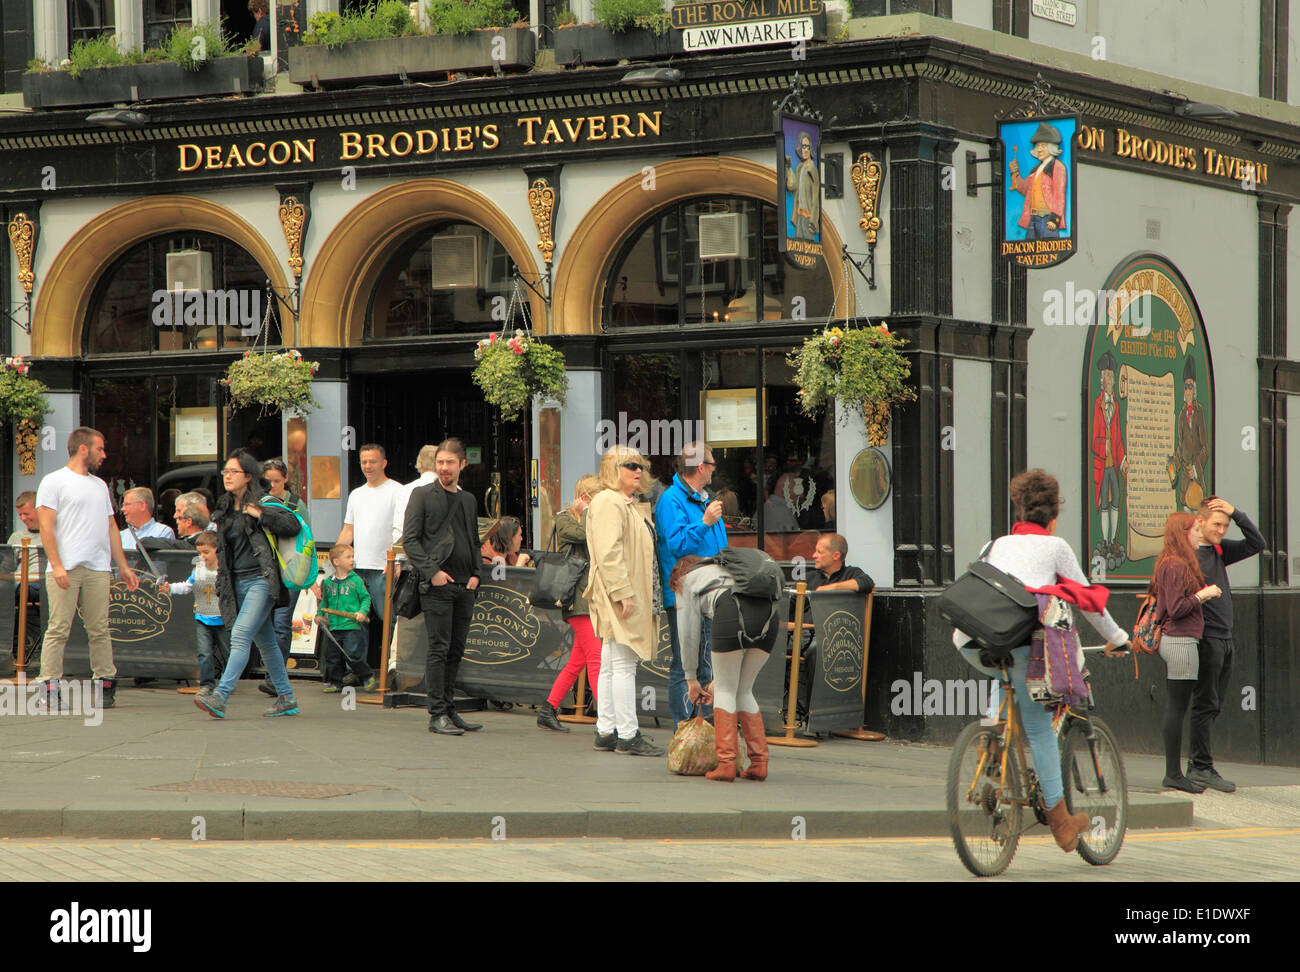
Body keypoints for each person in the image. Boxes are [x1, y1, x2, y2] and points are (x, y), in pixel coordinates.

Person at [952, 468, 1129, 853]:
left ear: (1018, 511)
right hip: (1019, 642)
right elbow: (1088, 601)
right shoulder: (1055, 546)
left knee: (1006, 681)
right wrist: (1118, 638)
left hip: (970, 640)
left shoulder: (994, 544)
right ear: (1053, 516)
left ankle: (990, 745)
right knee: (1039, 730)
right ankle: (1062, 823)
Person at [35, 427, 140, 709]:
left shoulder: (99, 486)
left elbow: (110, 526)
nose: (104, 455)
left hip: (97, 566)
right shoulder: (54, 481)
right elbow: (45, 525)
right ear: (84, 448)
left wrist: (123, 566)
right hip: (66, 566)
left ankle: (105, 682)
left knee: (99, 627)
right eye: (100, 449)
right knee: (58, 627)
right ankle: (48, 685)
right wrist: (56, 565)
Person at [194, 450, 301, 719]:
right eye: (225, 472)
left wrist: (261, 515)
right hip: (237, 582)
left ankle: (220, 696)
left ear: (248, 476)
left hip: (261, 581)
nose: (227, 476)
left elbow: (292, 525)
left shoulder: (263, 502)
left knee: (240, 636)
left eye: (233, 472)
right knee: (266, 643)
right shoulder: (225, 507)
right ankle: (287, 698)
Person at [586, 446, 664, 757]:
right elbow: (609, 553)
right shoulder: (610, 501)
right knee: (622, 664)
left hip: (622, 592)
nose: (638, 470)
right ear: (613, 469)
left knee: (611, 663)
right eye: (630, 465)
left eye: (641, 465)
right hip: (622, 594)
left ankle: (607, 730)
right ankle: (627, 734)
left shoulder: (620, 502)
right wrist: (622, 593)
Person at [673, 553, 778, 781]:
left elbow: (688, 632)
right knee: (744, 689)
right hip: (769, 614)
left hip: (731, 610)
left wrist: (691, 678)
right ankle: (759, 763)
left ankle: (726, 764)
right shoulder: (731, 569)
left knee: (726, 691)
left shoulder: (687, 580)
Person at [403, 438, 483, 736]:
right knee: (439, 648)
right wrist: (433, 572)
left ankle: (449, 709)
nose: (444, 468)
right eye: (440, 462)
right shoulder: (422, 495)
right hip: (436, 586)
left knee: (456, 649)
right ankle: (436, 713)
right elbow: (410, 540)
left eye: (450, 462)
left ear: (463, 464)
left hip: (465, 585)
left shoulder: (468, 500)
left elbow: (474, 539)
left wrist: (477, 574)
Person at [1187, 496, 1265, 793]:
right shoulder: (1189, 555)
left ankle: (1201, 764)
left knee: (1214, 703)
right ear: (1200, 521)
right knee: (1205, 702)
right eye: (1216, 524)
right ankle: (1200, 767)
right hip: (1206, 638)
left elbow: (1257, 543)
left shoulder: (1218, 551)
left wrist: (1236, 512)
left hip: (1224, 636)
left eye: (1225, 525)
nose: (1221, 529)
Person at [655, 441, 727, 727]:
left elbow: (717, 548)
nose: (713, 471)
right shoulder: (671, 500)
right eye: (712, 465)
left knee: (708, 664)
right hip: (685, 594)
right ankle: (684, 730)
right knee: (686, 666)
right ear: (701, 467)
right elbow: (676, 544)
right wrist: (705, 522)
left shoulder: (703, 498)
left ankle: (704, 729)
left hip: (712, 592)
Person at [1151, 512, 1221, 794]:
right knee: (1177, 708)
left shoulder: (1169, 563)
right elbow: (1177, 608)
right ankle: (1173, 773)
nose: (1198, 535)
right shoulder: (1176, 564)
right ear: (1182, 533)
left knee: (1177, 707)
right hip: (1180, 642)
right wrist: (1203, 595)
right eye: (1194, 530)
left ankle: (1174, 772)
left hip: (1179, 641)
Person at [537, 474, 602, 733]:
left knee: (578, 661)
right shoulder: (565, 518)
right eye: (596, 498)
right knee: (596, 657)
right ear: (585, 497)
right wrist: (586, 511)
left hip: (591, 597)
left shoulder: (594, 518)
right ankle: (608, 720)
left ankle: (548, 708)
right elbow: (585, 535)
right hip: (575, 598)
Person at [335, 444, 403, 667]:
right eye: (364, 462)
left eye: (372, 461)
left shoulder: (397, 491)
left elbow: (402, 531)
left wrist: (398, 560)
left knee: (389, 620)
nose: (367, 466)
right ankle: (355, 670)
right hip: (357, 568)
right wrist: (336, 559)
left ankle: (393, 669)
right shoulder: (356, 494)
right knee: (355, 622)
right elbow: (348, 530)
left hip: (384, 567)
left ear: (384, 463)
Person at [162, 531, 229, 695]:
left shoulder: (225, 570)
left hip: (222, 618)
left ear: (217, 550)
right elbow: (187, 586)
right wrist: (170, 588)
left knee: (229, 652)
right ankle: (206, 684)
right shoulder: (198, 569)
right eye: (200, 553)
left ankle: (227, 683)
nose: (203, 556)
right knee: (204, 653)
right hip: (202, 616)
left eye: (206, 552)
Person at [262, 457, 305, 693]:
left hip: (289, 571)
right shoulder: (258, 502)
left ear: (286, 479)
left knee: (281, 624)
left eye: (277, 481)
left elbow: (307, 539)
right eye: (267, 481)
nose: (272, 486)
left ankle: (273, 678)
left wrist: (308, 576)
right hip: (266, 571)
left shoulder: (296, 503)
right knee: (264, 623)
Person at [318, 542, 377, 693]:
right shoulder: (328, 583)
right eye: (348, 557)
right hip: (334, 626)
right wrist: (319, 615)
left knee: (352, 655)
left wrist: (362, 612)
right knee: (332, 656)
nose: (352, 560)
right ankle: (336, 682)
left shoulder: (356, 580)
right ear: (336, 562)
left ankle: (367, 675)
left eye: (353, 557)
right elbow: (325, 602)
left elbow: (365, 598)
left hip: (351, 626)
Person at [1090, 351, 1125, 563]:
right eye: (1108, 376)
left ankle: (1113, 541)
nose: (1110, 380)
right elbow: (1094, 438)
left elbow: (1119, 437)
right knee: (1104, 502)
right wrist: (1104, 445)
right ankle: (1104, 541)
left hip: (1113, 464)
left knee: (1117, 499)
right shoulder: (1097, 405)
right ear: (1103, 380)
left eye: (1112, 376)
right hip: (1102, 464)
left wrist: (1123, 460)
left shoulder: (1116, 406)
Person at [1009, 121, 1067, 240]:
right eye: (1038, 146)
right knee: (1030, 253)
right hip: (1032, 218)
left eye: (1043, 146)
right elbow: (1025, 189)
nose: (1039, 149)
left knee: (1048, 254)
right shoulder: (1035, 170)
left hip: (1047, 219)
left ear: (1051, 147)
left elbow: (1059, 195)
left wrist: (1055, 219)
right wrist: (1015, 173)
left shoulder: (1057, 167)